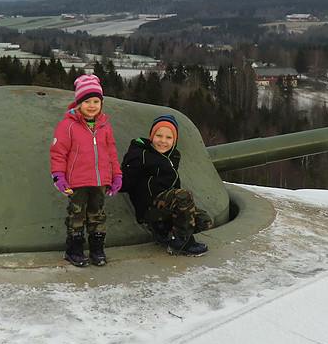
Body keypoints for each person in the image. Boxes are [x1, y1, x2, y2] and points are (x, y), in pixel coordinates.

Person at [50, 74, 122, 267]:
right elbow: (58, 153)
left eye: (96, 101)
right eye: (87, 101)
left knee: (97, 215)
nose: (92, 105)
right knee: (77, 215)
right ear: (78, 103)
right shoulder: (68, 125)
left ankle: (97, 250)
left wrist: (117, 175)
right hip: (77, 182)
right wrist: (58, 176)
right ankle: (74, 250)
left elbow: (111, 153)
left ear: (101, 103)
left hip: (100, 182)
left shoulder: (105, 126)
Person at [121, 114, 212, 256]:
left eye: (169, 138)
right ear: (152, 136)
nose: (163, 141)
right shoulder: (141, 154)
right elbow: (125, 182)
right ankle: (182, 243)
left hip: (167, 205)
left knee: (204, 221)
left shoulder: (174, 155)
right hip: (149, 207)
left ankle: (163, 231)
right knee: (183, 196)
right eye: (159, 136)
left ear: (174, 140)